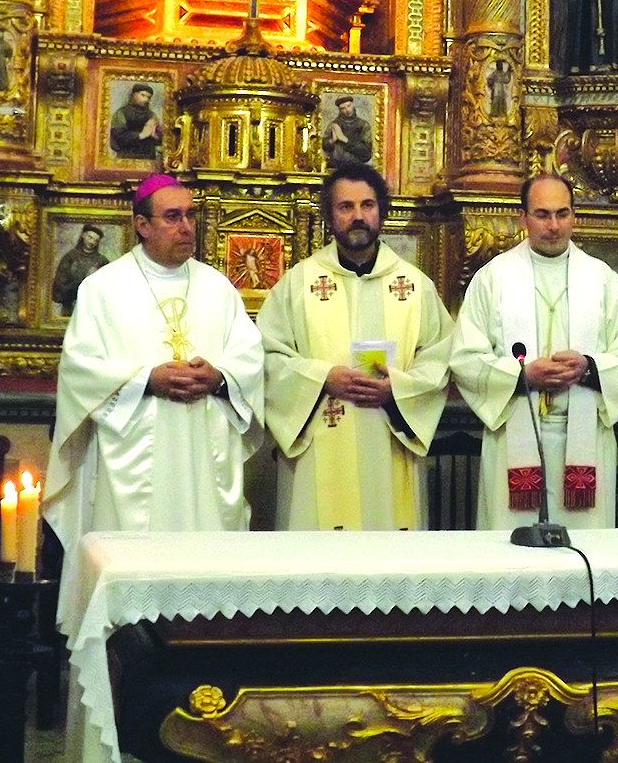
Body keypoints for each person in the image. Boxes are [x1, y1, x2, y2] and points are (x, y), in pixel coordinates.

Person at [44, 175, 264, 611]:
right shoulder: (103, 288)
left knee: (206, 575)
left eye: (190, 216)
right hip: (130, 457)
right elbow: (79, 369)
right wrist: (147, 379)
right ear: (142, 225)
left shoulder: (217, 288)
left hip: (205, 454)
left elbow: (250, 357)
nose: (186, 227)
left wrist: (218, 377)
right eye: (172, 217)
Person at [256, 164, 453, 530]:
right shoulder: (298, 284)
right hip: (320, 445)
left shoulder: (414, 285)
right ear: (329, 217)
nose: (358, 216)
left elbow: (441, 357)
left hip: (391, 438)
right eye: (345, 207)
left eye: (367, 205)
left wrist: (400, 388)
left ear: (382, 211)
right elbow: (268, 356)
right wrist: (322, 377)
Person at [450, 175, 618, 530]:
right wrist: (523, 376)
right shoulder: (493, 278)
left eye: (562, 214)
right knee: (515, 559)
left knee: (584, 556)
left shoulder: (602, 280)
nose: (554, 226)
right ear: (522, 217)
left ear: (575, 215)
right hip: (514, 437)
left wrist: (588, 368)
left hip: (587, 440)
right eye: (542, 214)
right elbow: (465, 359)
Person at [50, 223, 110, 316]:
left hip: (93, 312)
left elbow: (108, 292)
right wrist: (83, 279)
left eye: (96, 240)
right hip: (70, 311)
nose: (92, 242)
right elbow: (58, 293)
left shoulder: (102, 261)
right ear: (83, 235)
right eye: (90, 237)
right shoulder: (69, 258)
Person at [109, 83, 160, 159]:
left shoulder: (152, 115)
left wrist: (156, 136)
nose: (146, 100)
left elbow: (161, 140)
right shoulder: (121, 113)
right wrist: (141, 135)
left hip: (148, 159)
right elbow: (117, 139)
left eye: (148, 97)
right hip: (126, 158)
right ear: (134, 95)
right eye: (142, 95)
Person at [321, 96, 372, 168]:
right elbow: (325, 147)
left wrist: (344, 139)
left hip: (357, 169)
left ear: (353, 105)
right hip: (335, 168)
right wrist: (332, 141)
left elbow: (366, 153)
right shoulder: (334, 125)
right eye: (343, 108)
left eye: (348, 106)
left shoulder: (363, 125)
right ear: (339, 110)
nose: (347, 110)